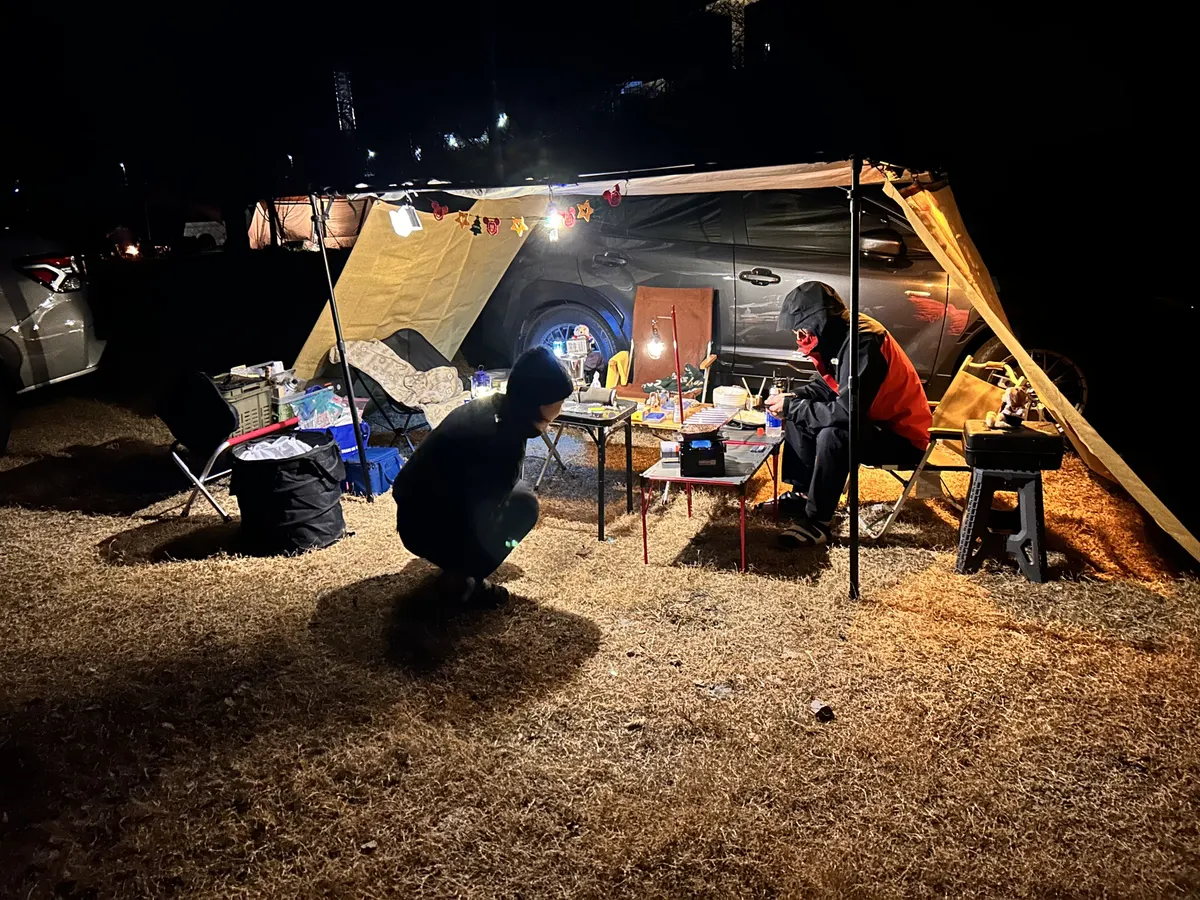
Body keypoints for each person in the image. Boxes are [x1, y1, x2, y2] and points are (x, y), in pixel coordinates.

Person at [393, 346, 574, 604]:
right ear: (537, 401)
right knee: (525, 506)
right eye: (559, 401)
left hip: (412, 519)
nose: (560, 408)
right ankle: (463, 581)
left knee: (520, 490)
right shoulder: (501, 440)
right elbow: (483, 513)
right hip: (424, 528)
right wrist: (476, 555)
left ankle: (455, 564)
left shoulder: (491, 408)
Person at [765, 281, 932, 548]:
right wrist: (794, 398)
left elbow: (847, 414)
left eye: (802, 329)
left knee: (835, 435)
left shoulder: (863, 342)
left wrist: (793, 407)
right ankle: (803, 494)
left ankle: (817, 523)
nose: (799, 336)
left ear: (820, 321)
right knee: (800, 410)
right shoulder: (842, 332)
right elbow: (830, 385)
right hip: (874, 422)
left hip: (902, 436)